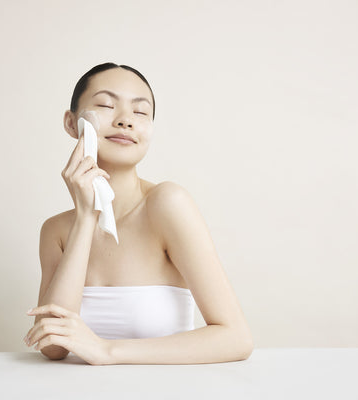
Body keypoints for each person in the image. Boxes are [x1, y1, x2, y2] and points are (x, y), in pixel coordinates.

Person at [23, 62, 253, 365]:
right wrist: (85, 219)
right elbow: (53, 346)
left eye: (141, 112)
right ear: (71, 123)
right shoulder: (56, 231)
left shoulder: (167, 204)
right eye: (106, 105)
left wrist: (106, 351)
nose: (125, 121)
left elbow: (236, 338)